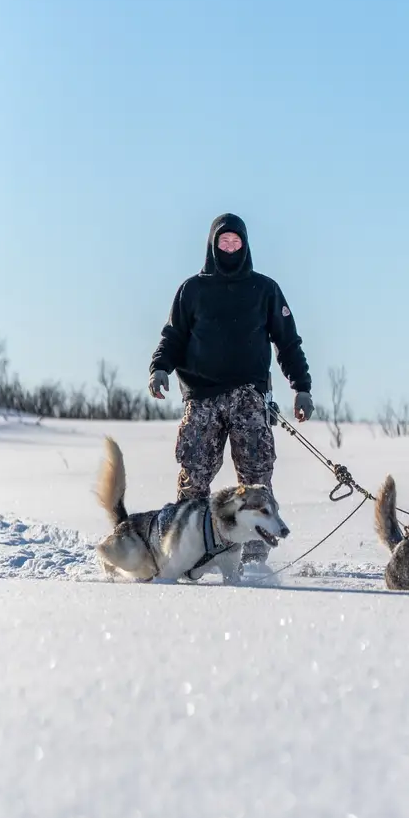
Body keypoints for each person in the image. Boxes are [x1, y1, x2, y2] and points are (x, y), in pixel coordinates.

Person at [148, 213, 314, 562]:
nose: (229, 247)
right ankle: (187, 550)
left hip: (249, 397)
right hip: (202, 397)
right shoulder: (192, 290)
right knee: (193, 477)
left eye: (235, 242)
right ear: (212, 245)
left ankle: (254, 557)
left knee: (256, 478)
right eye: (223, 242)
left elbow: (288, 342)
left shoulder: (265, 289)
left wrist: (301, 387)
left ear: (245, 245)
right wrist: (160, 368)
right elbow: (173, 337)